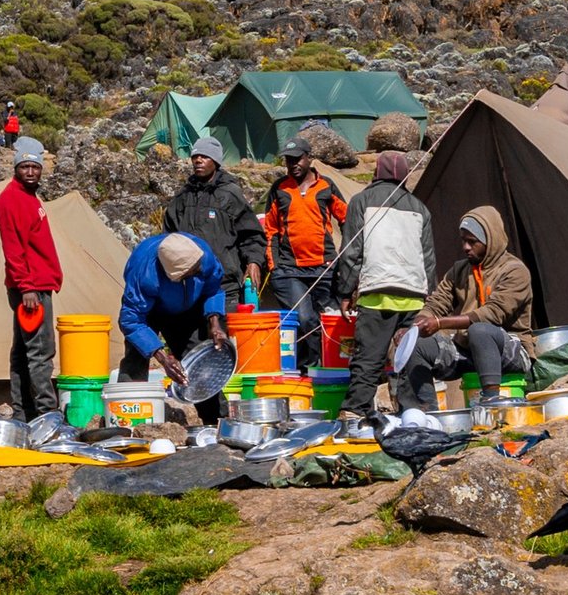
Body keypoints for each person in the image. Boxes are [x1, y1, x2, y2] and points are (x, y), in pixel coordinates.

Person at [331, 149, 437, 419]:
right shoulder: (420, 209)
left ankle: (355, 411)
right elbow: (428, 258)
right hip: (414, 296)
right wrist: (430, 299)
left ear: (376, 173)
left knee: (369, 357)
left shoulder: (361, 201)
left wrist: (345, 292)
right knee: (406, 360)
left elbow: (352, 252)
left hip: (377, 293)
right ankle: (413, 415)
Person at [400, 205, 535, 398]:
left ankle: (491, 403)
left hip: (509, 351)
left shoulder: (514, 271)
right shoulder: (459, 270)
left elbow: (491, 314)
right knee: (416, 345)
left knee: (479, 330)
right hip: (467, 350)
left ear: (490, 241)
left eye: (473, 242)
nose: (466, 247)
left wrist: (440, 323)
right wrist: (413, 329)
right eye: (463, 240)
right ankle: (426, 414)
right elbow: (437, 304)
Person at [116, 232, 229, 417]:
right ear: (176, 276)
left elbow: (213, 290)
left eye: (198, 268)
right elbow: (131, 321)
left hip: (188, 308)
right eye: (192, 272)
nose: (198, 271)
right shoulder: (143, 275)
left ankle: (216, 421)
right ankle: (127, 419)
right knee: (136, 359)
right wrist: (163, 358)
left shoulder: (203, 257)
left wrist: (215, 324)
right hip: (147, 312)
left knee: (199, 362)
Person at [0, 137, 64, 422]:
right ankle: (46, 414)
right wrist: (27, 287)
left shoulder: (29, 197)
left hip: (38, 283)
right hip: (31, 288)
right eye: (24, 166)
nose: (30, 172)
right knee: (40, 350)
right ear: (16, 168)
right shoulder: (10, 199)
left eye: (34, 166)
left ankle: (23, 411)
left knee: (25, 349)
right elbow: (13, 248)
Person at [162, 134, 266, 301]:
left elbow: (251, 234)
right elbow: (168, 237)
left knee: (220, 327)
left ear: (216, 162)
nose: (198, 160)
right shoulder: (182, 197)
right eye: (195, 156)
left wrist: (254, 261)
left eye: (204, 156)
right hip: (188, 285)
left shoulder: (230, 194)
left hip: (225, 285)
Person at [260, 140, 348, 330]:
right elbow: (271, 231)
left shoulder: (326, 185)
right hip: (290, 269)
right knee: (305, 318)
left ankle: (323, 360)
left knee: (329, 320)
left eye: (298, 159)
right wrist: (274, 266)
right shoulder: (279, 189)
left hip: (325, 267)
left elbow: (346, 219)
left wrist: (343, 258)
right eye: (289, 160)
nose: (293, 164)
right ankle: (309, 361)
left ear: (309, 158)